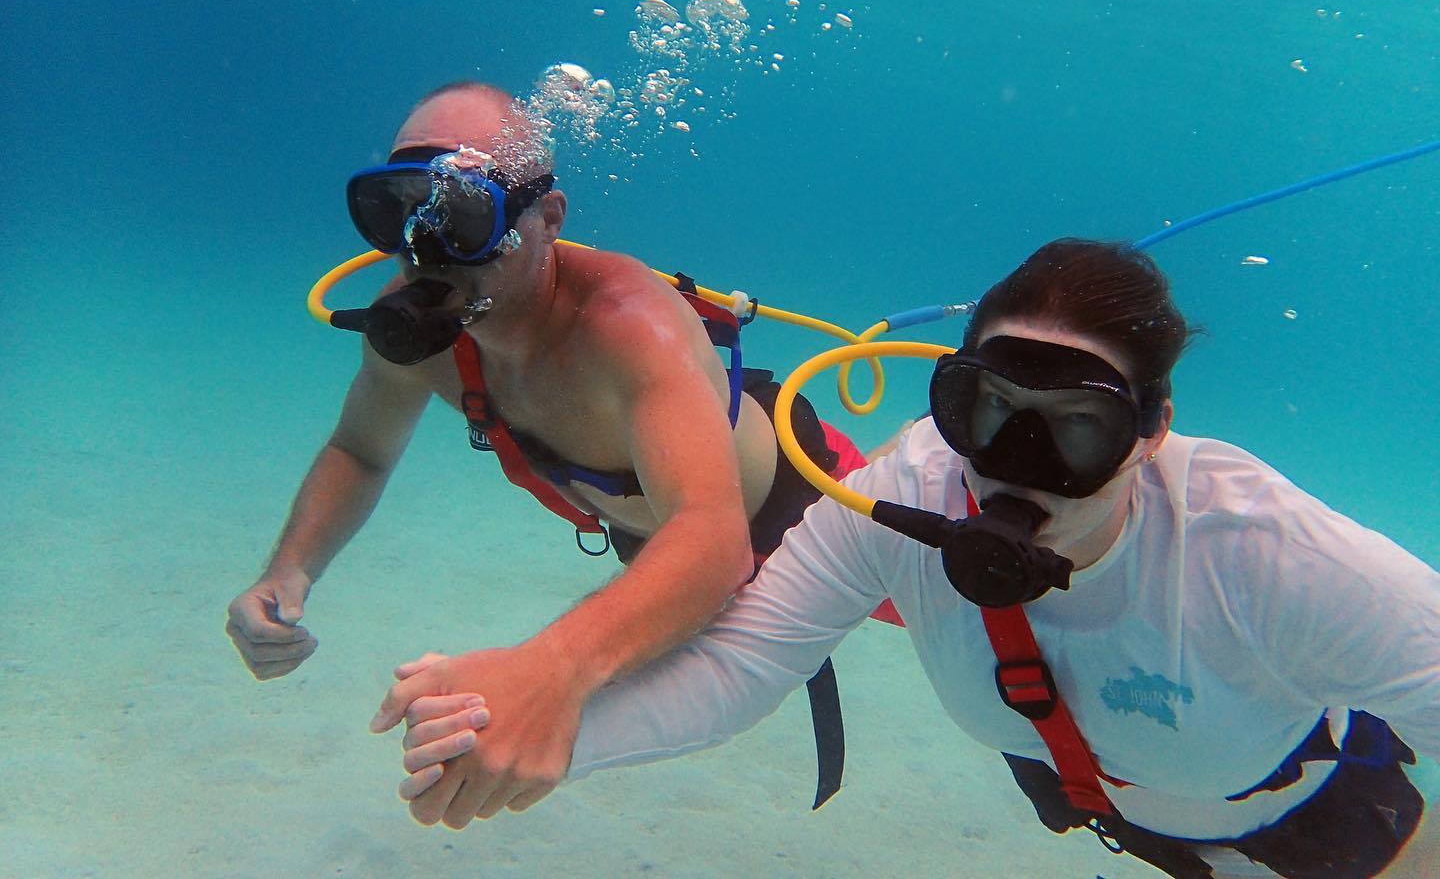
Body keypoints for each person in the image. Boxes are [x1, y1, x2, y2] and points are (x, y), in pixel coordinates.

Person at [388, 238, 1440, 877]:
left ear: (1153, 432)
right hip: (1136, 835)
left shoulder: (1258, 555)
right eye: (984, 411)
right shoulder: (905, 495)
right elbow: (739, 666)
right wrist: (542, 724)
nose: (1009, 470)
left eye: (1075, 432)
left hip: (1340, 839)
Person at [226, 80, 867, 827]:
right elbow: (361, 449)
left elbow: (712, 540)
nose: (425, 246)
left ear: (547, 218)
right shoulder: (426, 338)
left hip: (811, 500)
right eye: (397, 208)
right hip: (661, 549)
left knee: (985, 599)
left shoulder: (627, 327)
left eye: (460, 212)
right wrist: (289, 567)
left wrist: (550, 668)